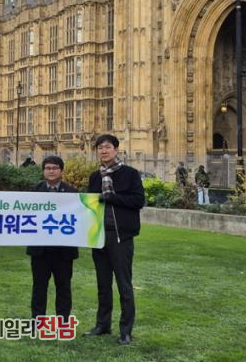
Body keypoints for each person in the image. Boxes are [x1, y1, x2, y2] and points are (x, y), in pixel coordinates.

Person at [84, 134, 145, 346]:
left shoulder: (130, 174)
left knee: (124, 285)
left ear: (116, 150)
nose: (103, 151)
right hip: (99, 235)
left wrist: (113, 198)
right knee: (103, 284)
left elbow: (138, 201)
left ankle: (126, 331)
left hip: (120, 236)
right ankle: (102, 325)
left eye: (107, 147)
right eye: (100, 147)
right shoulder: (95, 177)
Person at [27, 156, 78, 320]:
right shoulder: (33, 192)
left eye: (55, 168)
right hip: (40, 250)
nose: (51, 171)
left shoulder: (72, 193)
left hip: (64, 251)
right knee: (39, 287)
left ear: (61, 171)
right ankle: (38, 320)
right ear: (43, 171)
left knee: (63, 287)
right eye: (48, 168)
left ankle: (63, 321)